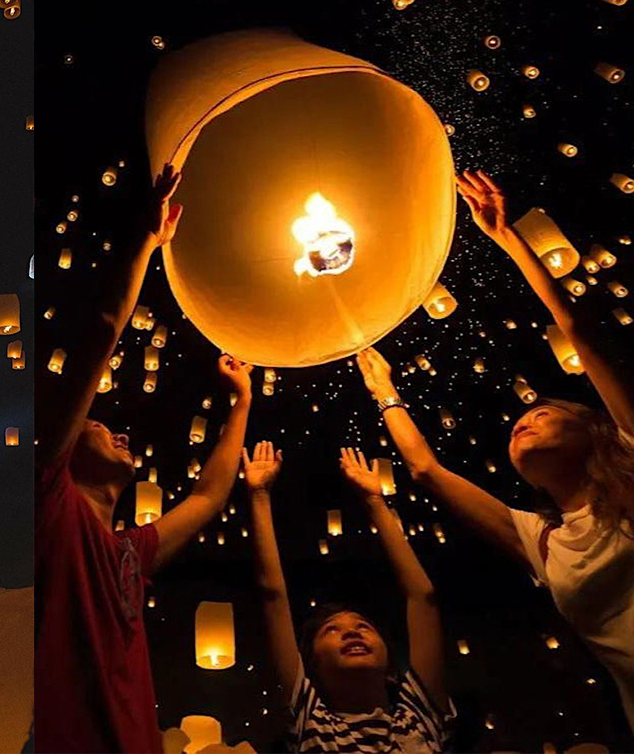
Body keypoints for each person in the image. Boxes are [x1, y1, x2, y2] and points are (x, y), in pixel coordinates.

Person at [357, 169, 634, 729]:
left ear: (595, 431)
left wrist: (507, 236)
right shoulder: (542, 538)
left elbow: (577, 327)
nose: (521, 423)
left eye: (542, 413)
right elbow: (426, 470)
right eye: (518, 423)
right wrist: (383, 391)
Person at [36, 165, 256, 752]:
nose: (119, 434)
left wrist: (243, 401)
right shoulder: (50, 503)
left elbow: (209, 498)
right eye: (99, 425)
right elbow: (104, 333)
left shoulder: (129, 551)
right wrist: (145, 243)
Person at [247, 441, 453, 753]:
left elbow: (423, 597)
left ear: (388, 659)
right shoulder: (310, 721)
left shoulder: (420, 714)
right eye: (332, 629)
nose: (352, 631)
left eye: (363, 626)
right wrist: (259, 495)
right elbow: (273, 596)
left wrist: (375, 501)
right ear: (312, 664)